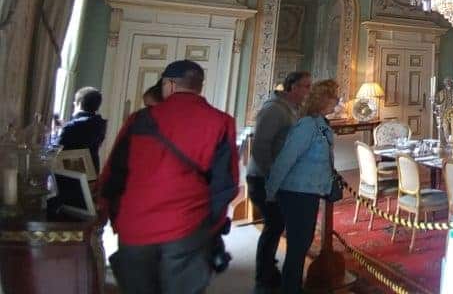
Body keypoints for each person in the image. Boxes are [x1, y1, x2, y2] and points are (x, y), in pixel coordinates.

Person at [99, 60, 238, 294]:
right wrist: (208, 228)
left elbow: (114, 174)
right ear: (199, 86)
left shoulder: (139, 120)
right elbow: (225, 185)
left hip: (135, 226)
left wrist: (113, 215)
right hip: (187, 226)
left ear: (170, 85)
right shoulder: (220, 122)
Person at [266, 79, 339, 294]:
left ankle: (293, 286)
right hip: (297, 192)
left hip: (310, 190)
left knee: (302, 242)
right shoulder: (307, 125)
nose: (337, 101)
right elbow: (286, 159)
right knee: (299, 246)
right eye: (334, 97)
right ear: (324, 100)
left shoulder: (321, 123)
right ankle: (291, 288)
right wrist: (271, 190)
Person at [248, 71, 311, 292]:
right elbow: (260, 147)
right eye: (306, 86)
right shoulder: (274, 109)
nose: (308, 91)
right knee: (274, 225)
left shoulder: (291, 109)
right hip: (264, 179)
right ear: (293, 87)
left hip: (280, 179)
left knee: (276, 225)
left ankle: (268, 271)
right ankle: (265, 276)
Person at [57, 87, 107, 172]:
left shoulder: (72, 127)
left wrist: (62, 131)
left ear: (79, 103)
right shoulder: (100, 124)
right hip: (92, 171)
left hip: (72, 173)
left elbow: (58, 153)